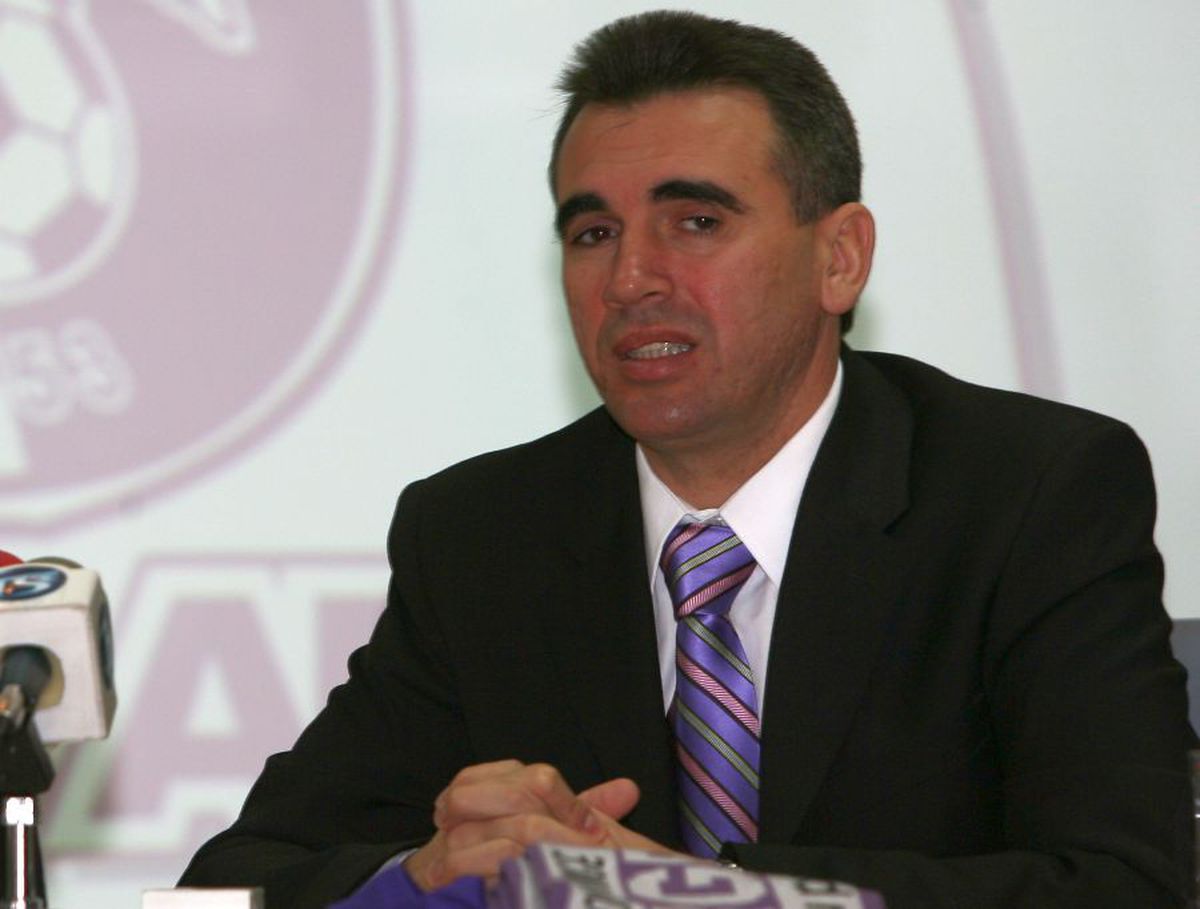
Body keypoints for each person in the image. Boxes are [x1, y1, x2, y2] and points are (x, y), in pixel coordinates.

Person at [179, 11, 1194, 908]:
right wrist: (427, 877)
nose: (630, 278)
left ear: (839, 257)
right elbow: (233, 883)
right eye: (592, 232)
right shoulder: (484, 535)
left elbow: (1127, 886)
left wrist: (692, 894)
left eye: (696, 222)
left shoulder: (1029, 494)